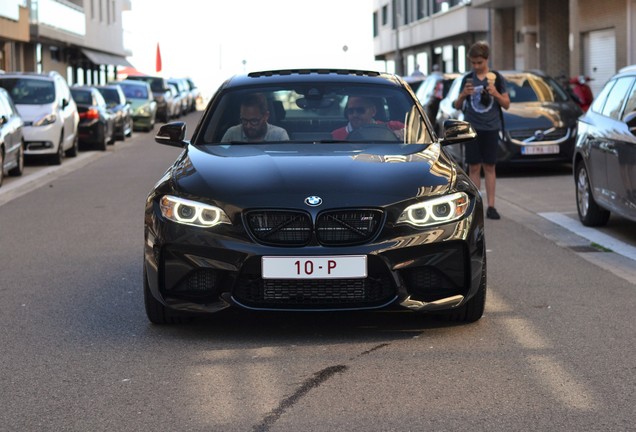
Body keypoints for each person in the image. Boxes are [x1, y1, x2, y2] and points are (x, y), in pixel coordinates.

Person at [453, 41, 510, 220]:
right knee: (474, 167)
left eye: (480, 63)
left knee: (490, 167)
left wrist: (496, 94)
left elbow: (507, 104)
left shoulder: (497, 78)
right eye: (473, 63)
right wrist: (463, 94)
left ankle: (491, 206)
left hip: (491, 128)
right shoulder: (467, 79)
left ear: (487, 60)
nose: (476, 66)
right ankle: (476, 205)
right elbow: (456, 105)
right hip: (472, 129)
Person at [221, 93, 289, 142]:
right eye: (244, 120)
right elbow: (221, 157)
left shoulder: (279, 136)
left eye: (254, 121)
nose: (248, 126)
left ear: (266, 116)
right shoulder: (232, 135)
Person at [331, 96, 404, 140]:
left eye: (360, 110)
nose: (354, 114)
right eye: (350, 111)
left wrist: (401, 135)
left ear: (373, 111)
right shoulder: (336, 136)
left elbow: (414, 133)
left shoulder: (393, 127)